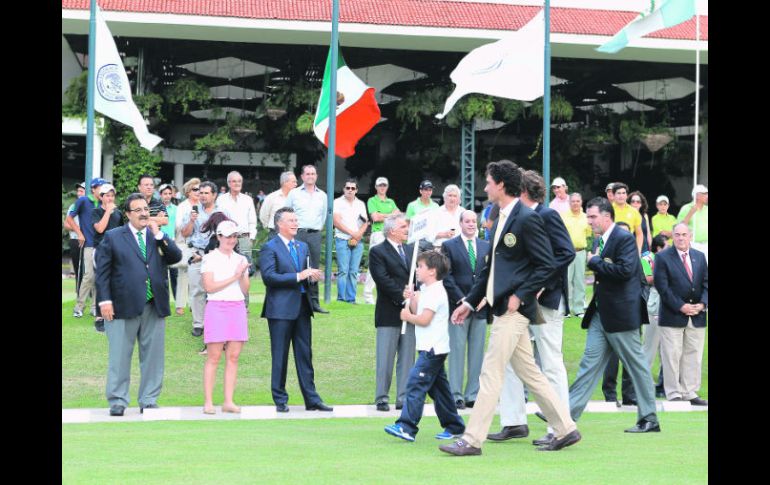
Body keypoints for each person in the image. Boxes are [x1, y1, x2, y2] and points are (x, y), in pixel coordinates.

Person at [440, 160, 580, 456]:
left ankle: (472, 439)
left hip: (513, 310)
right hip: (501, 305)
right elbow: (489, 269)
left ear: (501, 185)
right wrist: (469, 301)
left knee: (491, 371)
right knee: (530, 372)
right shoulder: (498, 215)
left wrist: (521, 294)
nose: (485, 187)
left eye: (489, 181)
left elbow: (547, 264)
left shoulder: (527, 218)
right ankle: (566, 428)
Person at [489, 169, 575, 446]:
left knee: (550, 361)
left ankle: (558, 425)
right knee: (514, 361)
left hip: (545, 299)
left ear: (522, 191)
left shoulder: (547, 215)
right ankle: (513, 421)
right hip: (521, 299)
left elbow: (565, 253)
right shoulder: (517, 217)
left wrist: (541, 285)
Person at [567, 197, 660, 434]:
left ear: (607, 217)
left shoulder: (624, 238)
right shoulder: (601, 240)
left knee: (636, 365)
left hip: (620, 315)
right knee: (589, 363)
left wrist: (596, 262)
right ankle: (565, 415)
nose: (589, 221)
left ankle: (649, 418)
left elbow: (626, 271)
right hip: (601, 313)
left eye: (593, 216)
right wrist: (597, 260)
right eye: (588, 217)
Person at [95, 193, 182, 416]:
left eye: (146, 209)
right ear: (127, 214)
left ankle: (149, 400)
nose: (144, 213)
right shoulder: (114, 237)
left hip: (154, 304)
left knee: (153, 356)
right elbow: (102, 272)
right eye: (138, 210)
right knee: (119, 355)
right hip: (121, 305)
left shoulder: (156, 236)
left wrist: (160, 233)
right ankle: (117, 400)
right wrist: (104, 300)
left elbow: (175, 256)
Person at [384, 251, 466, 442]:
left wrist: (407, 317)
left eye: (420, 267)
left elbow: (423, 320)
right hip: (430, 347)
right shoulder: (426, 291)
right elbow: (416, 310)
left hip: (433, 348)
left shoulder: (436, 292)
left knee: (415, 383)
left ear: (432, 271)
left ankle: (407, 426)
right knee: (440, 390)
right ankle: (455, 426)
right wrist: (412, 298)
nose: (417, 270)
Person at [259, 207, 333, 413]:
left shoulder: (302, 246)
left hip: (302, 306)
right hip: (280, 309)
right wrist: (299, 276)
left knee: (305, 355)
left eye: (296, 219)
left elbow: (304, 274)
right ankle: (280, 399)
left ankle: (312, 399)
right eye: (290, 220)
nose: (295, 223)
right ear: (279, 224)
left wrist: (310, 277)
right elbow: (269, 277)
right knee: (280, 355)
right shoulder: (270, 247)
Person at [654, 223, 708, 406]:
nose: (681, 238)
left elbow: (706, 283)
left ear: (690, 236)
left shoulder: (700, 257)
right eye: (677, 235)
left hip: (697, 315)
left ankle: (690, 392)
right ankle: (674, 392)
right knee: (672, 355)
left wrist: (702, 304)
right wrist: (680, 306)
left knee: (693, 355)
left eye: (684, 234)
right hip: (672, 315)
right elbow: (662, 287)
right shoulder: (662, 257)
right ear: (672, 237)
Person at [441, 210, 490, 410]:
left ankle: (472, 394)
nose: (471, 224)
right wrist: (463, 301)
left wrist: (483, 298)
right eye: (467, 221)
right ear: (460, 223)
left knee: (477, 353)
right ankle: (455, 394)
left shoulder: (486, 246)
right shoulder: (449, 246)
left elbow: (491, 276)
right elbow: (446, 276)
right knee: (457, 351)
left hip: (480, 308)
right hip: (458, 307)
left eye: (474, 221)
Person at [201, 220, 251, 415]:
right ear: (219, 237)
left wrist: (242, 274)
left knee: (233, 356)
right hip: (217, 306)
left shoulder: (240, 258)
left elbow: (245, 290)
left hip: (237, 306)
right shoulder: (210, 258)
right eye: (227, 236)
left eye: (233, 236)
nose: (231, 240)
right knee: (214, 356)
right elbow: (210, 287)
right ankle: (208, 401)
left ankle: (228, 401)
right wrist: (234, 275)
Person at [368, 214, 417, 412]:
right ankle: (381, 397)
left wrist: (414, 296)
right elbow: (382, 278)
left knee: (407, 358)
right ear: (391, 230)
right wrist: (402, 296)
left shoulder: (411, 250)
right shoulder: (378, 252)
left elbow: (417, 276)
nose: (407, 229)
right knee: (385, 358)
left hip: (410, 313)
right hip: (389, 312)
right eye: (403, 226)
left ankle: (403, 397)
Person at [284, 165, 329, 314]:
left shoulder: (322, 195)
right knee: (296, 266)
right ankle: (294, 300)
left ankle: (314, 303)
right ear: (302, 177)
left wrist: (316, 228)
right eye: (307, 174)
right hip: (298, 234)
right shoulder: (294, 194)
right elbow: (287, 213)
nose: (310, 176)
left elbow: (323, 216)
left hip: (314, 234)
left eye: (313, 173)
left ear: (316, 176)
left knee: (314, 268)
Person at [181, 181, 220, 337]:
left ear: (214, 195)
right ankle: (198, 323)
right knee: (196, 289)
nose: (202, 196)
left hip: (216, 254)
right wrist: (191, 220)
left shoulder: (222, 212)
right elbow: (184, 233)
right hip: (196, 253)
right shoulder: (192, 212)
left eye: (206, 193)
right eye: (200, 193)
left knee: (215, 290)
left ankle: (215, 321)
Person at [67, 177, 107, 318]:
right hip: (89, 244)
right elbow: (69, 219)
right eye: (101, 188)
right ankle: (79, 307)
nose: (104, 190)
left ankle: (95, 307)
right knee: (89, 276)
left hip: (102, 246)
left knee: (98, 277)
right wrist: (79, 233)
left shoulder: (105, 203)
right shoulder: (83, 200)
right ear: (94, 188)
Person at [215, 171, 258, 304]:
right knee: (227, 268)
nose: (237, 184)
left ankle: (244, 304)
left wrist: (251, 238)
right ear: (228, 183)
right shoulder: (221, 199)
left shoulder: (248, 199)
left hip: (245, 238)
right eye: (234, 181)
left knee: (245, 270)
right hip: (227, 238)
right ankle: (228, 300)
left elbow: (253, 221)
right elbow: (219, 219)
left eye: (239, 181)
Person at [363, 176, 400, 304]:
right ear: (376, 187)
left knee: (390, 264)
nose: (382, 187)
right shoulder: (372, 200)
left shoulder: (391, 201)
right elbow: (375, 217)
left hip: (391, 234)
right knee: (374, 264)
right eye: (380, 185)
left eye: (384, 185)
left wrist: (383, 215)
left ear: (387, 187)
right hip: (378, 233)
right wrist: (390, 215)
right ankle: (368, 295)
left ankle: (386, 294)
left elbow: (398, 215)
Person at [91, 183, 123, 333]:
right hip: (100, 250)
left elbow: (122, 232)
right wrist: (108, 212)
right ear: (101, 197)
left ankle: (111, 313)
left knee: (115, 281)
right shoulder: (96, 211)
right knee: (101, 281)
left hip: (116, 251)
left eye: (112, 195)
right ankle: (99, 317)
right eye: (107, 195)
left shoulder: (118, 213)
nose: (110, 198)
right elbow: (100, 228)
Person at [332, 178, 369, 303]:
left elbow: (365, 222)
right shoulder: (337, 202)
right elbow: (336, 222)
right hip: (342, 239)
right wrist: (353, 233)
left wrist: (358, 235)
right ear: (343, 189)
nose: (350, 190)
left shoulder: (360, 204)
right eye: (347, 188)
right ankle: (341, 299)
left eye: (353, 188)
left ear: (356, 190)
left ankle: (351, 299)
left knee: (353, 272)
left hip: (357, 241)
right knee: (343, 271)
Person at [561, 192, 592, 317]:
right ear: (569, 202)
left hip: (580, 252)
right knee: (566, 280)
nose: (575, 203)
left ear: (581, 202)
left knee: (579, 280)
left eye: (577, 201)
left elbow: (590, 234)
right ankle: (566, 309)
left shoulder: (586, 217)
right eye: (573, 201)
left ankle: (578, 309)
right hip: (567, 252)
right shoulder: (563, 216)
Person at [174, 178, 201, 316]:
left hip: (200, 244)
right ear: (188, 191)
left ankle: (194, 303)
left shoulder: (203, 204)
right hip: (184, 243)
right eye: (195, 189)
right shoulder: (182, 206)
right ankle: (180, 305)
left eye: (200, 189)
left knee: (198, 275)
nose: (199, 192)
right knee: (184, 273)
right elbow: (178, 226)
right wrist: (190, 223)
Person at [259, 171, 297, 240]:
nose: (296, 184)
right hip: (275, 234)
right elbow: (263, 215)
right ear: (285, 183)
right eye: (293, 182)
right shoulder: (271, 197)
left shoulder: (297, 198)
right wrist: (270, 228)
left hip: (293, 235)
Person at [158, 184, 179, 306]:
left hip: (172, 241)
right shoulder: (156, 208)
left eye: (169, 193)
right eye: (165, 193)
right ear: (160, 195)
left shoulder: (176, 209)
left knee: (174, 272)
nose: (167, 196)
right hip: (159, 242)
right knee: (162, 273)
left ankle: (177, 301)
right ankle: (164, 299)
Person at [676, 184, 708, 262]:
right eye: (705, 194)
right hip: (692, 244)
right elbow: (680, 227)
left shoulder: (707, 209)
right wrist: (690, 213)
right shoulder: (686, 208)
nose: (707, 196)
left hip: (706, 244)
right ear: (698, 195)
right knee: (693, 270)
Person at [611, 183, 643, 254]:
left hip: (628, 248)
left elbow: (639, 234)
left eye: (623, 193)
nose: (621, 196)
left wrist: (638, 251)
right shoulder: (608, 210)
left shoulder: (634, 211)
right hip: (611, 248)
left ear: (626, 195)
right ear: (613, 195)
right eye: (618, 193)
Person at [64, 182, 87, 281]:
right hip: (75, 240)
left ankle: (91, 295)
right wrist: (79, 230)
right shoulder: (73, 206)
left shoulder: (95, 205)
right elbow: (66, 225)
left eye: (81, 191)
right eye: (78, 191)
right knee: (78, 271)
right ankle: (80, 295)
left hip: (90, 242)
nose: (78, 193)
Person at [432, 184, 464, 248]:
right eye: (450, 195)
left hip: (460, 248)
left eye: (455, 196)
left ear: (458, 199)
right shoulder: (436, 212)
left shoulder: (464, 212)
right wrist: (443, 234)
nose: (452, 198)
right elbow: (429, 234)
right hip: (440, 248)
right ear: (444, 197)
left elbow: (473, 231)